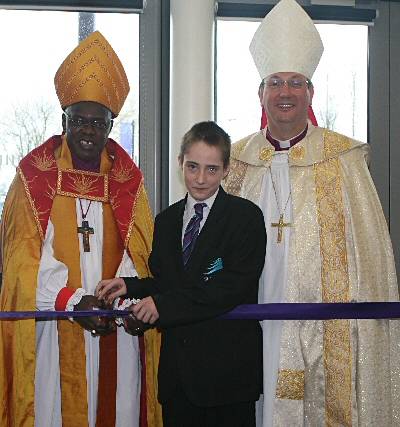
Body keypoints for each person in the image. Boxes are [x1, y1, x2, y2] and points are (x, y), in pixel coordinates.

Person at [223, 0, 400, 425]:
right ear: (261, 92)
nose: (285, 92)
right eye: (276, 82)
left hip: (320, 327)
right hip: (249, 321)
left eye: (296, 83)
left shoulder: (345, 160)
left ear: (311, 92)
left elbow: (370, 264)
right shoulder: (235, 162)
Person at [0, 31, 162, 427]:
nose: (88, 131)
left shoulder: (128, 182)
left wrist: (121, 301)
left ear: (110, 125)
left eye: (98, 122)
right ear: (64, 121)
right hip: (53, 328)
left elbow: (140, 257)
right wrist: (71, 301)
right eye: (79, 121)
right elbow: (22, 263)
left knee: (118, 409)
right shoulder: (33, 178)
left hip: (116, 333)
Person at [96, 121, 267, 427]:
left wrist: (163, 306)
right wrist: (130, 286)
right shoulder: (166, 220)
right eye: (192, 166)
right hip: (178, 379)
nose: (200, 178)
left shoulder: (246, 218)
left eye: (212, 169)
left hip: (227, 380)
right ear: (180, 163)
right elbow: (168, 283)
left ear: (226, 169)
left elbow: (231, 288)